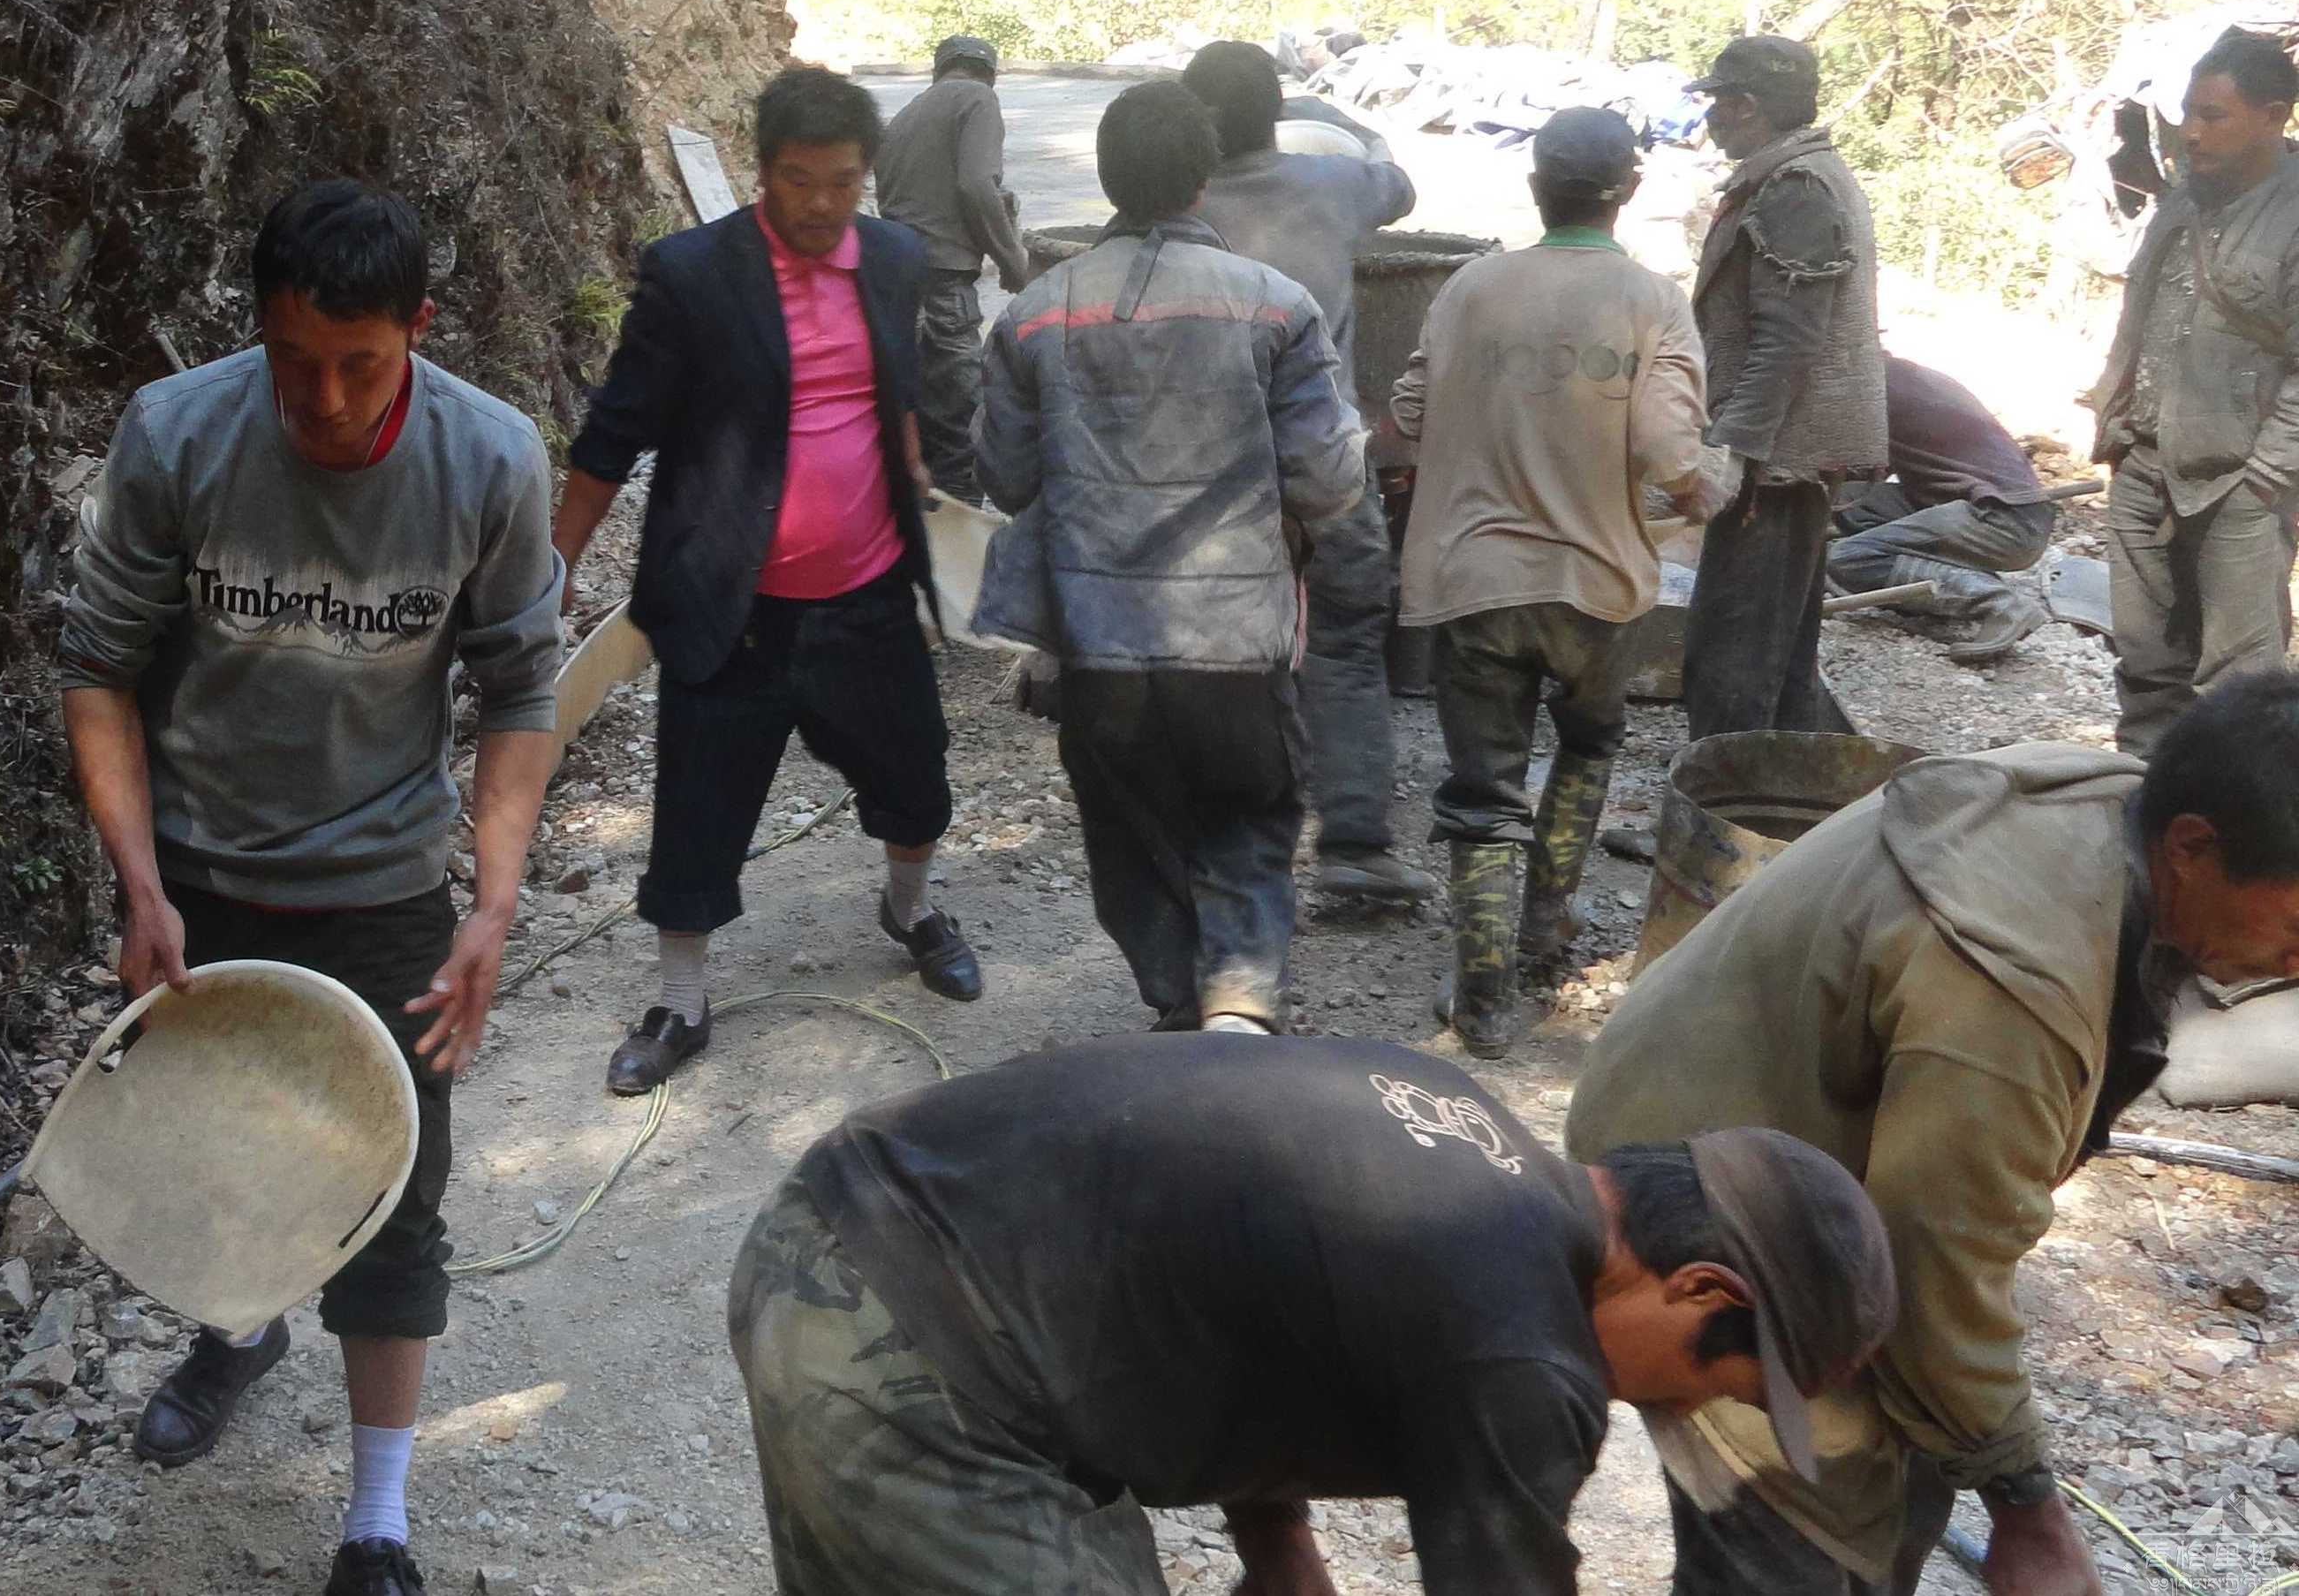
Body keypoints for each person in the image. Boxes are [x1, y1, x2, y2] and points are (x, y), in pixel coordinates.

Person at [57, 179, 563, 1596]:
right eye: (293, 360)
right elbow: (98, 669)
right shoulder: (178, 433)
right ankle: (237, 1329)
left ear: (420, 328)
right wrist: (139, 882)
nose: (325, 401)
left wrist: (492, 902)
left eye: (360, 363)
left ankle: (377, 1521)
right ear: (258, 333)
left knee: (393, 1188)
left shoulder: (489, 458)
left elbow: (523, 688)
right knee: (216, 1152)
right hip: (201, 867)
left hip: (383, 878)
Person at [1570, 669, 2299, 1596]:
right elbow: (1934, 1260)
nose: (2295, 962)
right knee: (1808, 1531)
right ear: (2192, 845)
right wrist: (2027, 1505)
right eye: (2297, 922)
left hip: (1773, 1129)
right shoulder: (2014, 988)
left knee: (1913, 1471)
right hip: (1688, 1183)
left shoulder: (2121, 806)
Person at [730, 1034, 1901, 1596]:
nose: (1680, 1408)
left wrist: (1280, 1548)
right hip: (906, 1350)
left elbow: (1253, 1273)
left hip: (839, 1232)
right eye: (1723, 1382)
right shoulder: (1525, 1356)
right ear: (1702, 1291)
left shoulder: (1454, 1111)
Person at [556, 66, 979, 1096]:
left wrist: (913, 469)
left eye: (842, 181)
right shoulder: (693, 274)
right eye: (799, 180)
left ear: (866, 174)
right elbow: (614, 431)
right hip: (729, 602)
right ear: (762, 171)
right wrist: (555, 565)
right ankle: (681, 1001)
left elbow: (895, 385)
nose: (822, 204)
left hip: (868, 592)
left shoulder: (894, 258)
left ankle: (911, 910)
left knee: (916, 778)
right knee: (699, 806)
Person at [973, 79, 1367, 1032]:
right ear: (1202, 179)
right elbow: (1324, 480)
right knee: (1247, 825)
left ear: (1108, 178)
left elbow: (1009, 478)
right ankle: (1239, 1005)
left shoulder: (1033, 314)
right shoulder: (1277, 306)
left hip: (1096, 644)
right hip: (1237, 640)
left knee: (1129, 830)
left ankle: (1180, 1002)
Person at [1390, 108, 1728, 1057]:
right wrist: (1709, 489)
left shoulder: (1470, 287)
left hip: (1473, 580)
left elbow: (1409, 411)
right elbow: (1670, 453)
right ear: (1630, 189)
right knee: (1588, 742)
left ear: (1536, 186)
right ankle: (1546, 924)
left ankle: (1484, 998)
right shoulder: (1652, 300)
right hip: (1597, 586)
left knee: (1482, 789)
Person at [1182, 36, 1439, 905]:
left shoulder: (1180, 206)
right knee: (1346, 643)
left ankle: (1224, 848)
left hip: (1211, 476)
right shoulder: (1334, 184)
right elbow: (1399, 181)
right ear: (1275, 116)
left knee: (1219, 650)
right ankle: (1355, 846)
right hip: (1327, 468)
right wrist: (1338, 120)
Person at [2087, 26, 2299, 754]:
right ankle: (2142, 804)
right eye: (2187, 114)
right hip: (2143, 463)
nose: (2192, 132)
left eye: (2213, 115)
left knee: (2238, 690)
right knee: (2146, 670)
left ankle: (2234, 820)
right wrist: (2118, 431)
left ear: (2272, 117)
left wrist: (2268, 473)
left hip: (2240, 483)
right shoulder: (2181, 201)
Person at [1680, 34, 1890, 740]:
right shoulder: (1803, 174)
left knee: (1733, 655)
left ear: (1746, 106)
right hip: (1787, 454)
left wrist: (1732, 450)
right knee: (1777, 652)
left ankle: (1725, 799)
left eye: (1718, 102)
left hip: (1776, 459)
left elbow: (1787, 340)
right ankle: (1785, 787)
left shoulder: (1795, 187)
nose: (1710, 117)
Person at [873, 33, 1034, 502]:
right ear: (991, 75)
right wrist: (1013, 260)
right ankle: (959, 538)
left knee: (919, 428)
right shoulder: (979, 98)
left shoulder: (907, 114)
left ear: (938, 70)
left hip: (897, 283)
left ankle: (923, 533)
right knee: (962, 434)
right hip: (942, 287)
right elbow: (976, 187)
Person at [1830, 355, 2057, 662]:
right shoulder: (1903, 377)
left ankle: (1999, 603)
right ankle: (1929, 580)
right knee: (1849, 502)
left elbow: (1835, 464)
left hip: (2003, 520)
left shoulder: (1872, 390)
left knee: (1848, 558)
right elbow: (1862, 474)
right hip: (1995, 507)